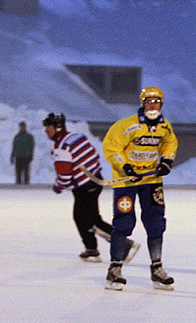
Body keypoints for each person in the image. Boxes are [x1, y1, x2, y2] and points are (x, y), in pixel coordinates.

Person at [102, 86, 177, 291]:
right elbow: (111, 146)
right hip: (127, 182)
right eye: (149, 101)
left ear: (161, 104)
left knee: (156, 223)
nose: (153, 105)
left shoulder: (165, 127)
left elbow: (170, 144)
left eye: (157, 101)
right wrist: (125, 167)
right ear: (143, 103)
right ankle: (115, 268)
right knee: (124, 222)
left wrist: (167, 161)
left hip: (151, 181)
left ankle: (157, 269)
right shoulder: (127, 125)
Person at [43, 112, 139, 263]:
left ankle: (124, 243)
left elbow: (65, 176)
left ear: (58, 127)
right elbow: (95, 155)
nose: (46, 130)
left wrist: (58, 187)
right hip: (94, 180)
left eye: (48, 127)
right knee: (82, 218)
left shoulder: (61, 148)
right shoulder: (77, 137)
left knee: (90, 220)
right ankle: (92, 249)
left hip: (84, 187)